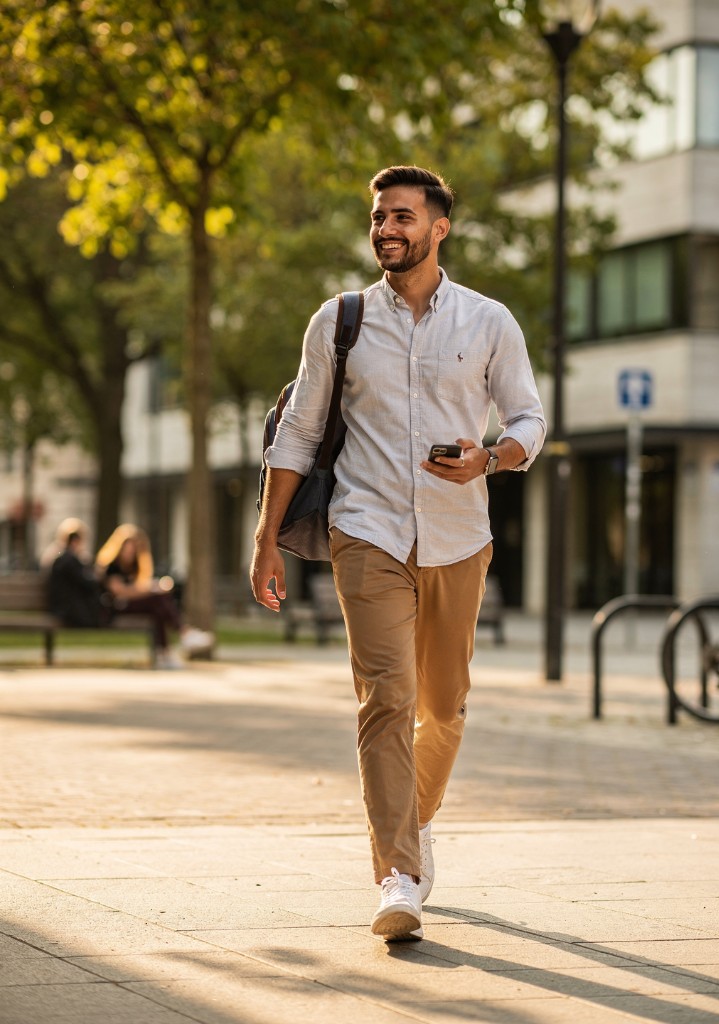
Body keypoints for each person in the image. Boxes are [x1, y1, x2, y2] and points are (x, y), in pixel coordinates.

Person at [250, 165, 546, 941]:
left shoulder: (488, 322)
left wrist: (490, 457)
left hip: (457, 536)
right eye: (379, 216)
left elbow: (528, 418)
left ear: (438, 227)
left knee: (442, 707)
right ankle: (398, 874)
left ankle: (412, 826)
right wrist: (265, 539)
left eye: (403, 216)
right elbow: (299, 433)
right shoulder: (338, 322)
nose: (387, 227)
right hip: (366, 529)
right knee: (388, 696)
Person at [96, 523, 213, 668]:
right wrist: (150, 590)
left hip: (129, 604)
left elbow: (137, 587)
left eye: (134, 550)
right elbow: (120, 591)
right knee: (158, 598)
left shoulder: (133, 566)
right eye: (128, 548)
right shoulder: (112, 566)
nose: (130, 553)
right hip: (114, 608)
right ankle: (184, 634)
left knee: (157, 610)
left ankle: (163, 654)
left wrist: (153, 588)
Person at [46, 521, 110, 628]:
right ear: (75, 541)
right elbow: (87, 582)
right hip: (67, 608)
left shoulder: (63, 559)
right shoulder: (70, 560)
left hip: (61, 606)